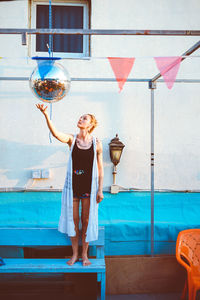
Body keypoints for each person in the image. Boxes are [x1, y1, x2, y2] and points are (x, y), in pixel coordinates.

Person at [36, 104, 104, 266]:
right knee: (73, 221)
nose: (80, 119)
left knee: (86, 220)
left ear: (90, 124)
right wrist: (46, 115)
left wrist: (100, 190)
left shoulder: (97, 144)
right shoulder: (72, 140)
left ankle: (85, 255)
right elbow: (55, 133)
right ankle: (74, 254)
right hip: (73, 188)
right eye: (80, 117)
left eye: (84, 118)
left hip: (89, 188)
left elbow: (101, 168)